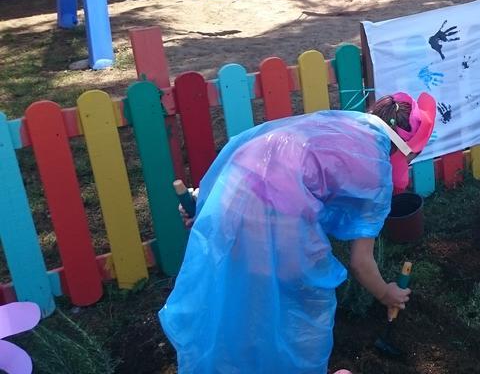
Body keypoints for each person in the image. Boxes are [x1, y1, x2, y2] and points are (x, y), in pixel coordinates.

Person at [159, 93, 436, 374]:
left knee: (243, 292)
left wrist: (210, 206)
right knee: (299, 305)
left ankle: (238, 360)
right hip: (278, 216)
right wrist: (386, 293)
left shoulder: (341, 123)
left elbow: (255, 156)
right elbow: (361, 263)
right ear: (405, 150)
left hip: (235, 189)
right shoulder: (375, 167)